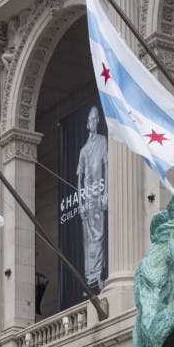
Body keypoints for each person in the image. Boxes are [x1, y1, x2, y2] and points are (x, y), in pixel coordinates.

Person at [75, 106, 108, 292]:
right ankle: (90, 277)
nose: (94, 122)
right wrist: (80, 203)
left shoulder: (103, 141)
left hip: (98, 195)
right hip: (87, 199)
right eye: (91, 119)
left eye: (96, 119)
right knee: (88, 241)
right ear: (87, 124)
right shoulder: (83, 150)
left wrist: (107, 193)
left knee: (99, 236)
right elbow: (80, 178)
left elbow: (107, 166)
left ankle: (98, 275)